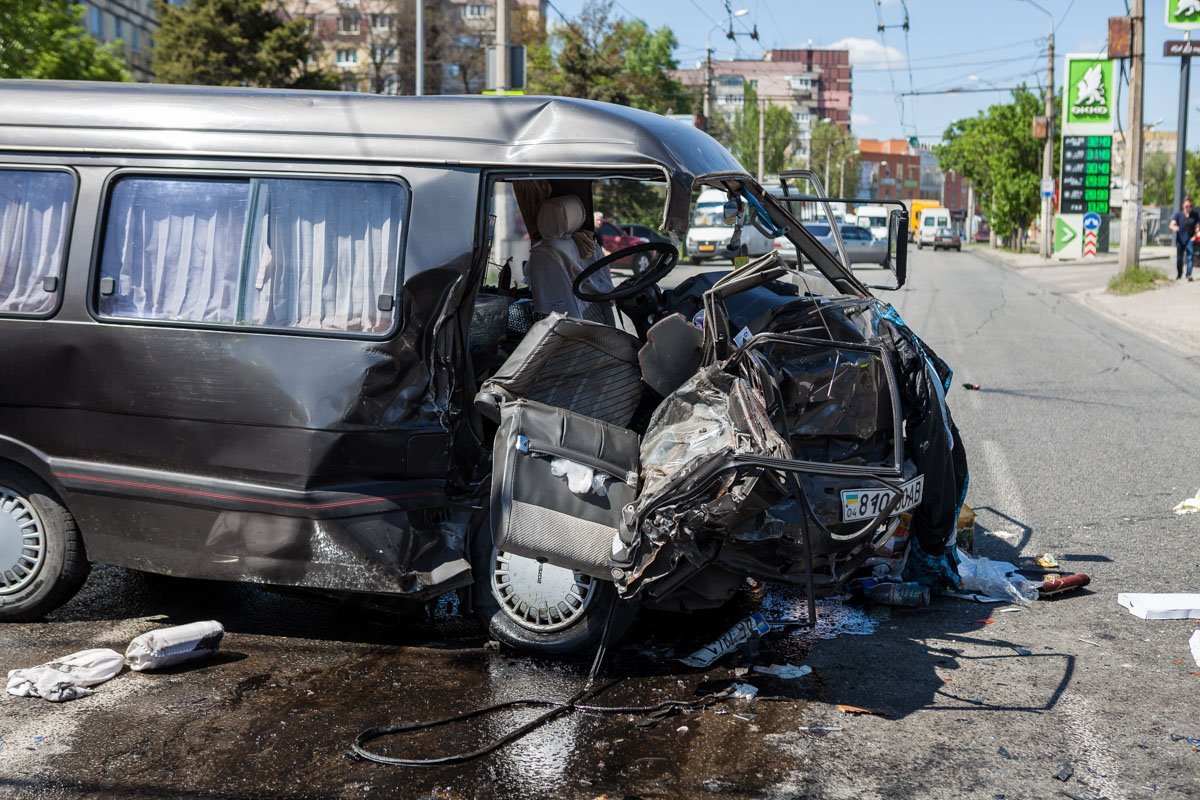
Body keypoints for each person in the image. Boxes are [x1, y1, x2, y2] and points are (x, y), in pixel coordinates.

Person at [1169, 197, 1200, 280]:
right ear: (1183, 206)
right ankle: (1179, 274)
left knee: (1190, 256)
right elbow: (1171, 224)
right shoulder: (1178, 214)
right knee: (1179, 259)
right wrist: (1174, 227)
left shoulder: (1195, 215)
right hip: (1180, 240)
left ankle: (1189, 274)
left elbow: (1197, 226)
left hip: (1190, 239)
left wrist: (1195, 235)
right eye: (1187, 206)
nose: (1189, 208)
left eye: (1190, 206)